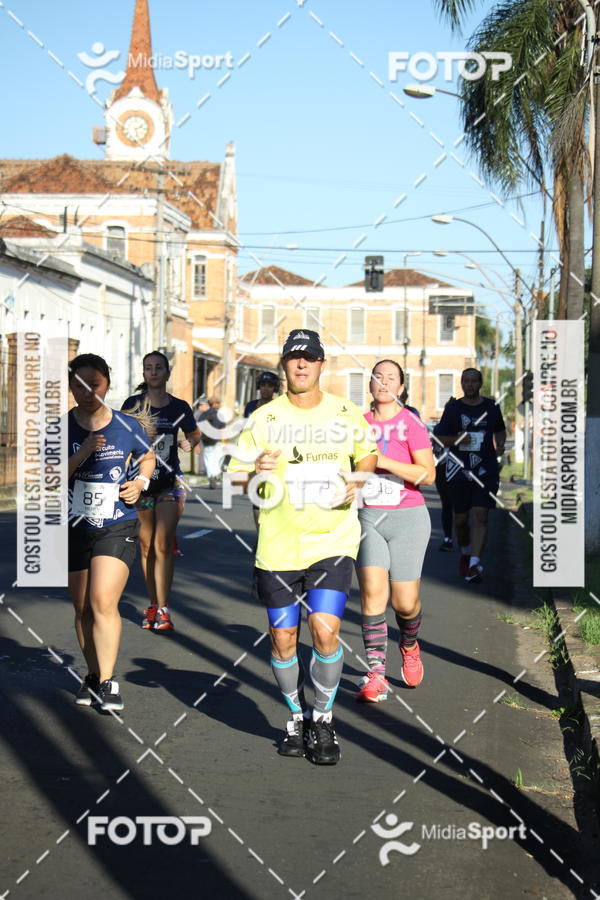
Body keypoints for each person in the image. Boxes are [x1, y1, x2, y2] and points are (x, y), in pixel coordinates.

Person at [228, 329, 377, 765]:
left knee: (325, 631)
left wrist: (358, 480)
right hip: (277, 546)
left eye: (308, 358)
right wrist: (253, 470)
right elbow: (236, 477)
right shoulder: (263, 418)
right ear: (284, 365)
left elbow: (366, 454)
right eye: (293, 358)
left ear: (320, 365)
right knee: (282, 638)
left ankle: (324, 719)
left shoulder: (346, 413)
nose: (301, 365)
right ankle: (297, 717)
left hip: (332, 538)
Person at [68, 353, 155, 711]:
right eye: (78, 385)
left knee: (103, 601)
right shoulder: (61, 428)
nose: (87, 392)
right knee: (82, 607)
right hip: (75, 526)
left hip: (117, 524)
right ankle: (92, 675)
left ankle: (108, 683)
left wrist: (141, 481)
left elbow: (147, 456)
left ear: (108, 383)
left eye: (95, 385)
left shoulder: (126, 425)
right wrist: (83, 452)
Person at [356, 360, 435, 702]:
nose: (384, 382)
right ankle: (375, 674)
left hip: (409, 518)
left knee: (405, 604)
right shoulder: (357, 425)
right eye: (378, 377)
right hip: (369, 517)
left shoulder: (410, 424)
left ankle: (409, 643)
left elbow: (428, 475)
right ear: (370, 385)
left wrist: (384, 461)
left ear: (401, 388)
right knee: (374, 594)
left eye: (391, 378)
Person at [122, 351, 201, 631]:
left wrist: (190, 443)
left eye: (158, 368)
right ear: (144, 374)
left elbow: (194, 433)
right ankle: (153, 602)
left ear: (167, 373)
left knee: (162, 544)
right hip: (141, 484)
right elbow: (121, 439)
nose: (153, 372)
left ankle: (164, 608)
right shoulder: (132, 405)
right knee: (145, 546)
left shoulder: (179, 407)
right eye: (148, 368)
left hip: (169, 483)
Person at [435, 368, 506, 583]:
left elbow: (500, 429)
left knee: (481, 514)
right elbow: (438, 438)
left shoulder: (492, 406)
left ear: (480, 383)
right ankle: (466, 552)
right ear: (461, 384)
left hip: (486, 470)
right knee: (461, 520)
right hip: (458, 470)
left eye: (474, 381)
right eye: (466, 381)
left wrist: (500, 443)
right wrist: (457, 440)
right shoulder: (453, 408)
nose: (470, 385)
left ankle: (475, 564)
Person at [244, 372, 280, 529]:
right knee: (256, 496)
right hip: (254, 456)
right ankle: (260, 534)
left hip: (274, 455)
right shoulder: (251, 406)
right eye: (263, 385)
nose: (266, 389)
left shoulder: (279, 406)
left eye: (270, 385)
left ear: (275, 388)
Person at [433, 397, 456, 552]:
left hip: (458, 469)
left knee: (454, 506)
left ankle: (453, 538)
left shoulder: (462, 427)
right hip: (443, 468)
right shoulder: (440, 428)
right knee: (447, 504)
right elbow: (436, 447)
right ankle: (448, 538)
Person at [198, 398, 226, 489]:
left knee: (208, 459)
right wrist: (224, 440)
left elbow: (199, 430)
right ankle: (215, 473)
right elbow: (222, 428)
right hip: (217, 440)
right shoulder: (218, 414)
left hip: (206, 441)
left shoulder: (202, 415)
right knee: (218, 458)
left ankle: (211, 476)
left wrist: (198, 442)